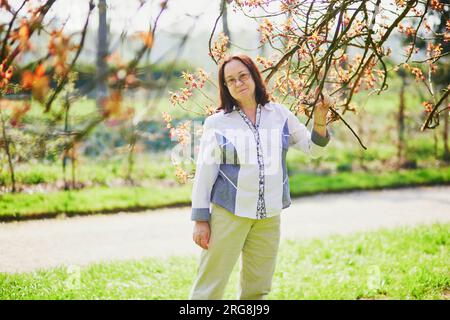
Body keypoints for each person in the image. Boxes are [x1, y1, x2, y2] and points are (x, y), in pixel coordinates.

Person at [189, 54, 334, 300]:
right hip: (229, 214)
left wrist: (320, 119)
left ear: (254, 76)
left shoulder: (279, 114)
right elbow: (205, 172)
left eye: (242, 76)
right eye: (230, 80)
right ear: (225, 86)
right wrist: (201, 219)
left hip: (269, 217)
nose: (238, 83)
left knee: (257, 290)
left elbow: (314, 150)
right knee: (209, 288)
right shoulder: (217, 123)